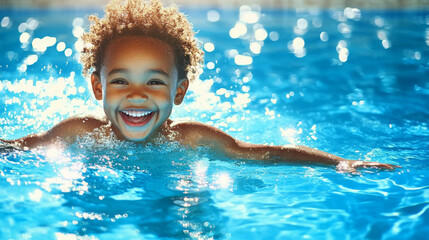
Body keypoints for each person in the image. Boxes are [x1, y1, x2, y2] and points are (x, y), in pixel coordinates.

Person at [1, 0, 399, 173]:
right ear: (97, 87)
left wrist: (339, 162)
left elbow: (260, 153)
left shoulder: (191, 139)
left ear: (179, 92)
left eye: (154, 82)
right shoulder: (77, 133)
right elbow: (22, 148)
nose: (137, 95)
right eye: (120, 80)